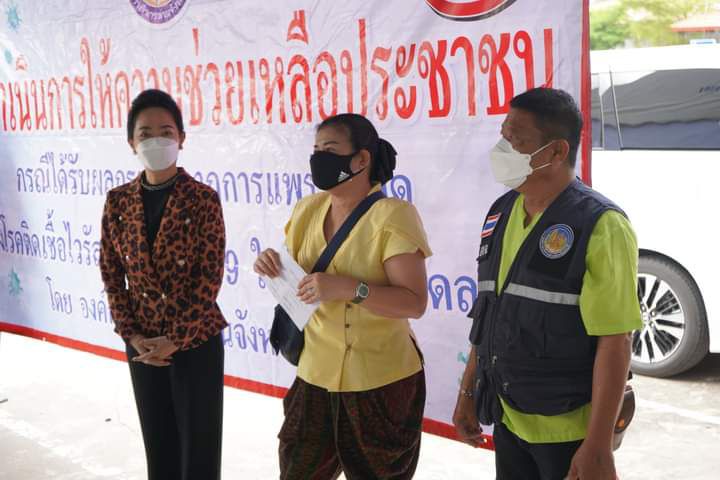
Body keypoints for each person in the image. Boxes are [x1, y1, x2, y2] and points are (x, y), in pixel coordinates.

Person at [452, 87, 642, 480]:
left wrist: (598, 445)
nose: (503, 148)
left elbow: (615, 341)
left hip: (568, 429)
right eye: (503, 136)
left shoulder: (601, 225)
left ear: (556, 152)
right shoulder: (501, 212)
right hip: (508, 417)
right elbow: (489, 312)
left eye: (516, 140)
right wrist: (468, 392)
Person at [254, 113, 432, 480]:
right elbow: (296, 275)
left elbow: (414, 303)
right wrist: (272, 264)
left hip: (380, 382)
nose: (319, 158)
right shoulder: (307, 209)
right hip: (314, 374)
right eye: (316, 150)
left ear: (361, 159)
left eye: (330, 150)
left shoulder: (393, 216)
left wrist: (350, 288)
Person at [99, 89, 227, 480]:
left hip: (195, 340)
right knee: (159, 451)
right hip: (142, 345)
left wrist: (175, 339)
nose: (156, 140)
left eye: (166, 132)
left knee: (199, 455)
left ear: (181, 138)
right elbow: (111, 273)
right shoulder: (118, 201)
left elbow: (209, 278)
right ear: (131, 142)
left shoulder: (203, 199)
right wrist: (133, 335)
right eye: (145, 133)